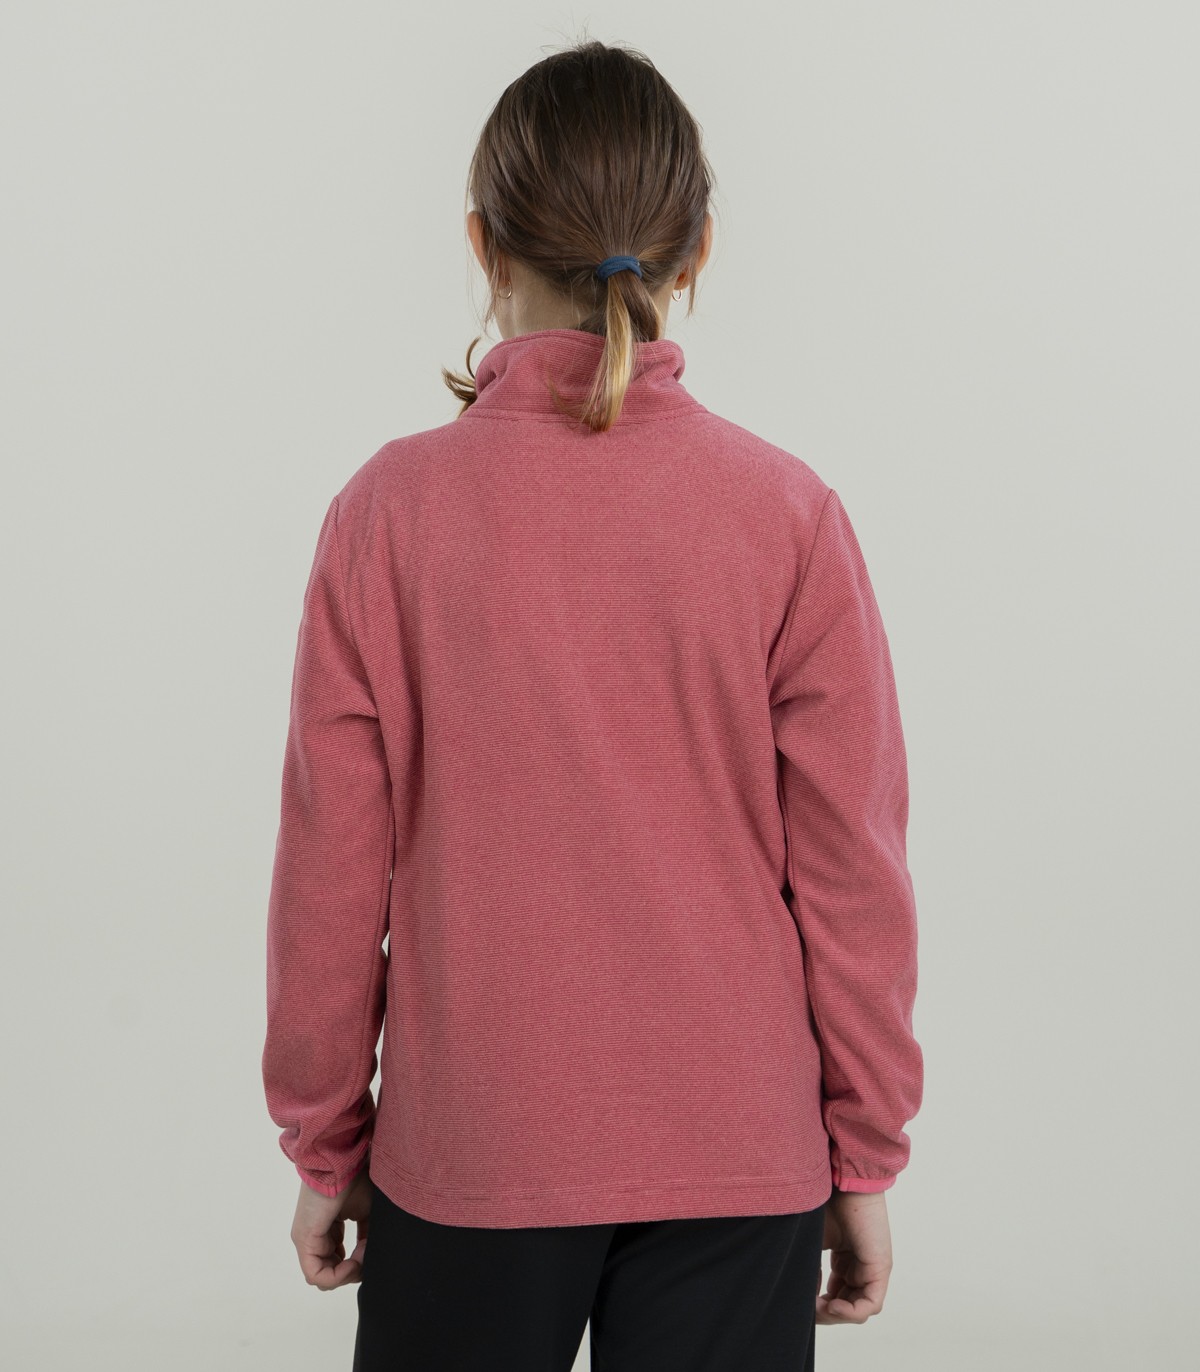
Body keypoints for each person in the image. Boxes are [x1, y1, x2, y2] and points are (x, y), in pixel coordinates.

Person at [262, 37, 923, 1372]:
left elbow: (330, 870)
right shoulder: (788, 516)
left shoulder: (384, 517)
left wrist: (326, 1141)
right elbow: (853, 876)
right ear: (697, 255)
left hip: (474, 1147)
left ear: (481, 243)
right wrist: (864, 1151)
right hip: (739, 1149)